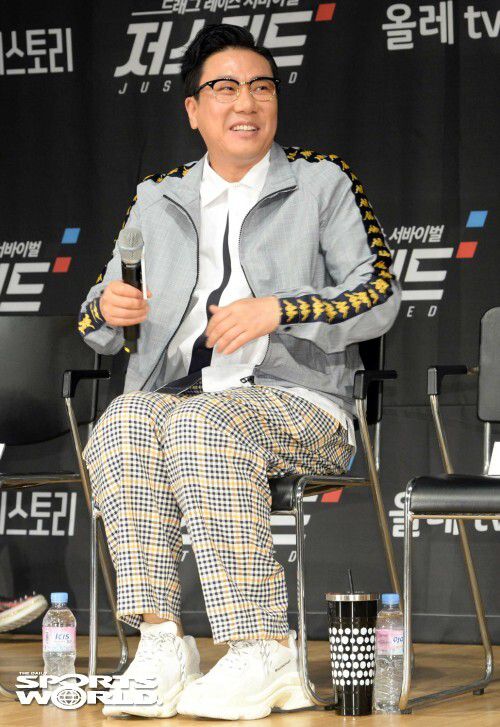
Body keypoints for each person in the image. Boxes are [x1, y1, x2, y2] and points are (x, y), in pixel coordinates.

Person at [78, 23, 401, 720]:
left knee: (202, 422)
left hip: (302, 404)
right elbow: (95, 320)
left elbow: (379, 292)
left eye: (261, 87)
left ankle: (263, 649)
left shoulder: (321, 181)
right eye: (225, 88)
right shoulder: (157, 197)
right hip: (179, 399)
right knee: (123, 421)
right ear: (194, 109)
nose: (246, 103)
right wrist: (109, 307)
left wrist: (280, 309)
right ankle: (161, 641)